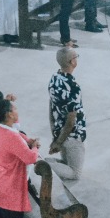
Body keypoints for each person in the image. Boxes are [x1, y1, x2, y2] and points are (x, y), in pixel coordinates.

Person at [47, 47, 86, 181]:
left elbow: (51, 109)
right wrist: (58, 142)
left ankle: (45, 163)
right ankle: (43, 165)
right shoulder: (73, 87)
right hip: (72, 136)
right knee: (75, 173)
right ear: (72, 62)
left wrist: (56, 137)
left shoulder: (54, 79)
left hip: (59, 132)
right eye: (76, 56)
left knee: (66, 164)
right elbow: (70, 121)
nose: (77, 59)